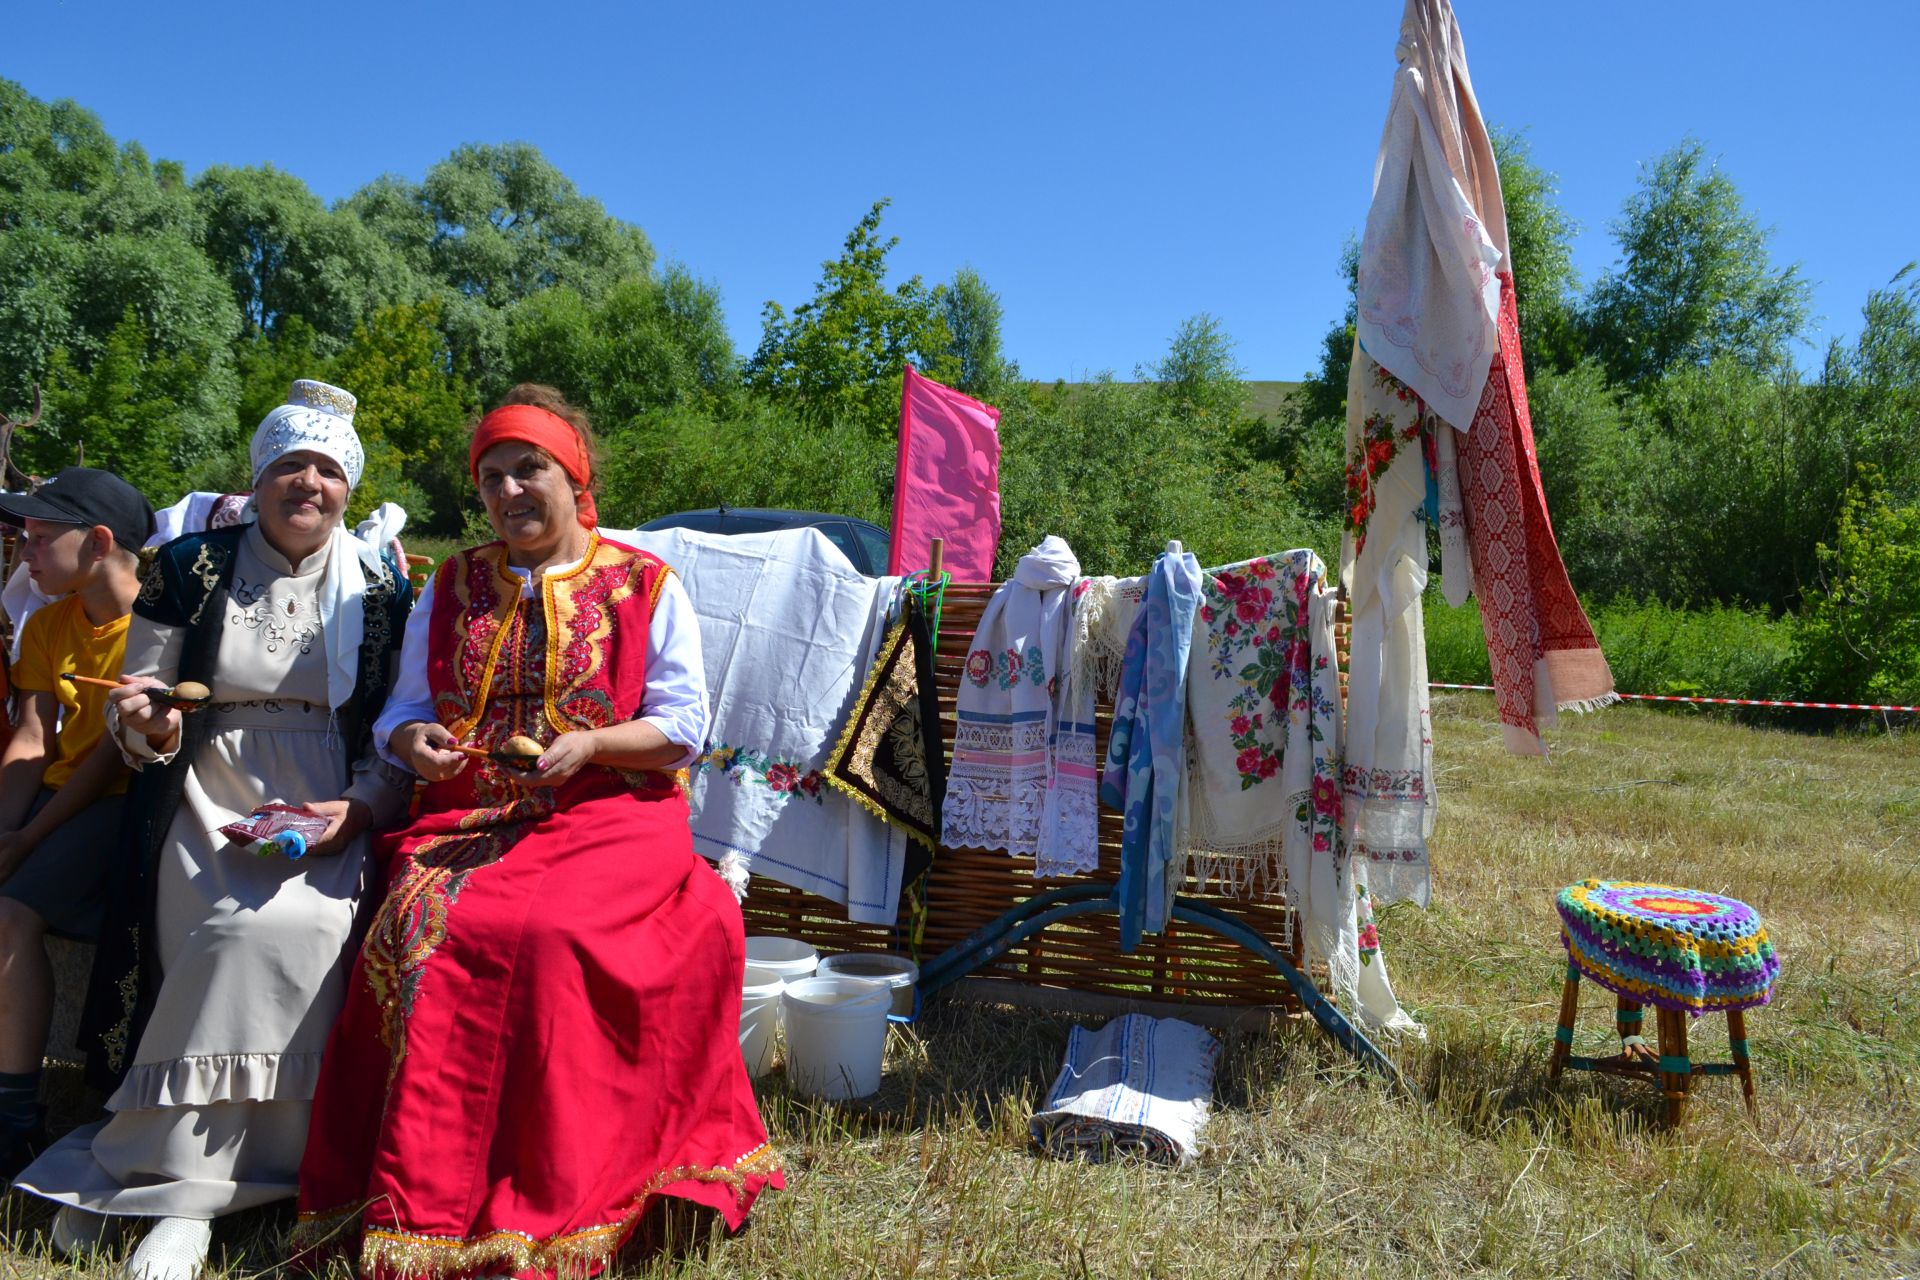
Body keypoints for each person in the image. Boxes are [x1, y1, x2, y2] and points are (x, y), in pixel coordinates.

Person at [295, 385, 781, 1280]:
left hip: (610, 811)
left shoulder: (643, 583)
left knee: (549, 934)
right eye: (491, 477)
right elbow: (402, 711)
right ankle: (425, 1205)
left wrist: (590, 743)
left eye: (530, 470)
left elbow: (683, 723)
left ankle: (556, 1182)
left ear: (574, 476)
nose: (510, 491)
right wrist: (417, 743)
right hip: (468, 813)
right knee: (420, 926)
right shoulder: (450, 582)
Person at [12, 381, 413, 1280]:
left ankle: (187, 1191)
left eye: (325, 469)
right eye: (287, 466)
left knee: (293, 926)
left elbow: (395, 723)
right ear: (258, 476)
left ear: (347, 486)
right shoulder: (188, 563)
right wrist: (146, 726)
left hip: (326, 797)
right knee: (224, 927)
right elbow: (143, 698)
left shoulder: (383, 582)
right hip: (203, 790)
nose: (306, 483)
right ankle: (192, 1193)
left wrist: (359, 809)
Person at [0, 469, 156, 1178]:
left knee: (9, 916)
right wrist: (5, 829)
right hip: (53, 803)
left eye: (38, 538)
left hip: (120, 801)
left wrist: (25, 843)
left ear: (98, 544)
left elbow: (103, 761)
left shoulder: (157, 625)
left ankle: (15, 1120)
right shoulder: (47, 620)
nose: (23, 553)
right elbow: (33, 738)